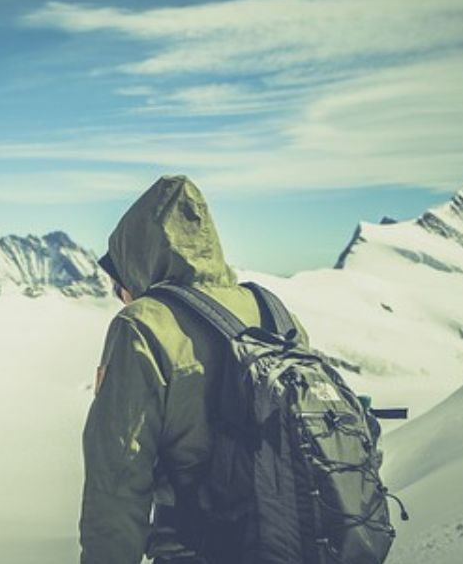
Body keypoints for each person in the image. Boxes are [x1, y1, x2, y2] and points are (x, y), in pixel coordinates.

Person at [79, 175, 308, 564]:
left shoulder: (142, 325)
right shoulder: (276, 313)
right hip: (296, 544)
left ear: (139, 262)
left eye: (119, 284)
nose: (121, 296)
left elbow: (117, 479)